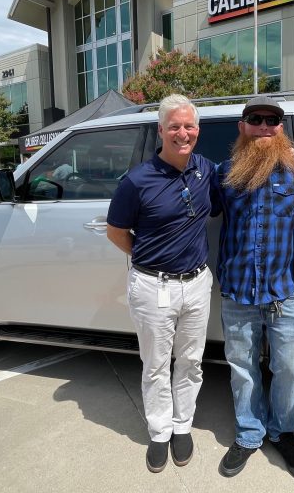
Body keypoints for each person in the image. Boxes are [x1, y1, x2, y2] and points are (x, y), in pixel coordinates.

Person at [106, 94, 216, 474]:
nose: (182, 133)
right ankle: (159, 431)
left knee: (191, 361)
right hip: (154, 286)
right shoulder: (137, 180)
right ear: (161, 131)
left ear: (197, 131)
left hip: (198, 282)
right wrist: (145, 259)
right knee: (154, 365)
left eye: (188, 126)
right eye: (174, 126)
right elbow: (115, 230)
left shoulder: (206, 169)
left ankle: (182, 426)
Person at [213, 96, 294, 479]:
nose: (263, 125)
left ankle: (282, 432)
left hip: (285, 292)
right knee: (242, 369)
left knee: (289, 367)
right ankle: (249, 433)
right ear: (242, 127)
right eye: (255, 119)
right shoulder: (225, 173)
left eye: (271, 120)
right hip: (238, 293)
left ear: (281, 129)